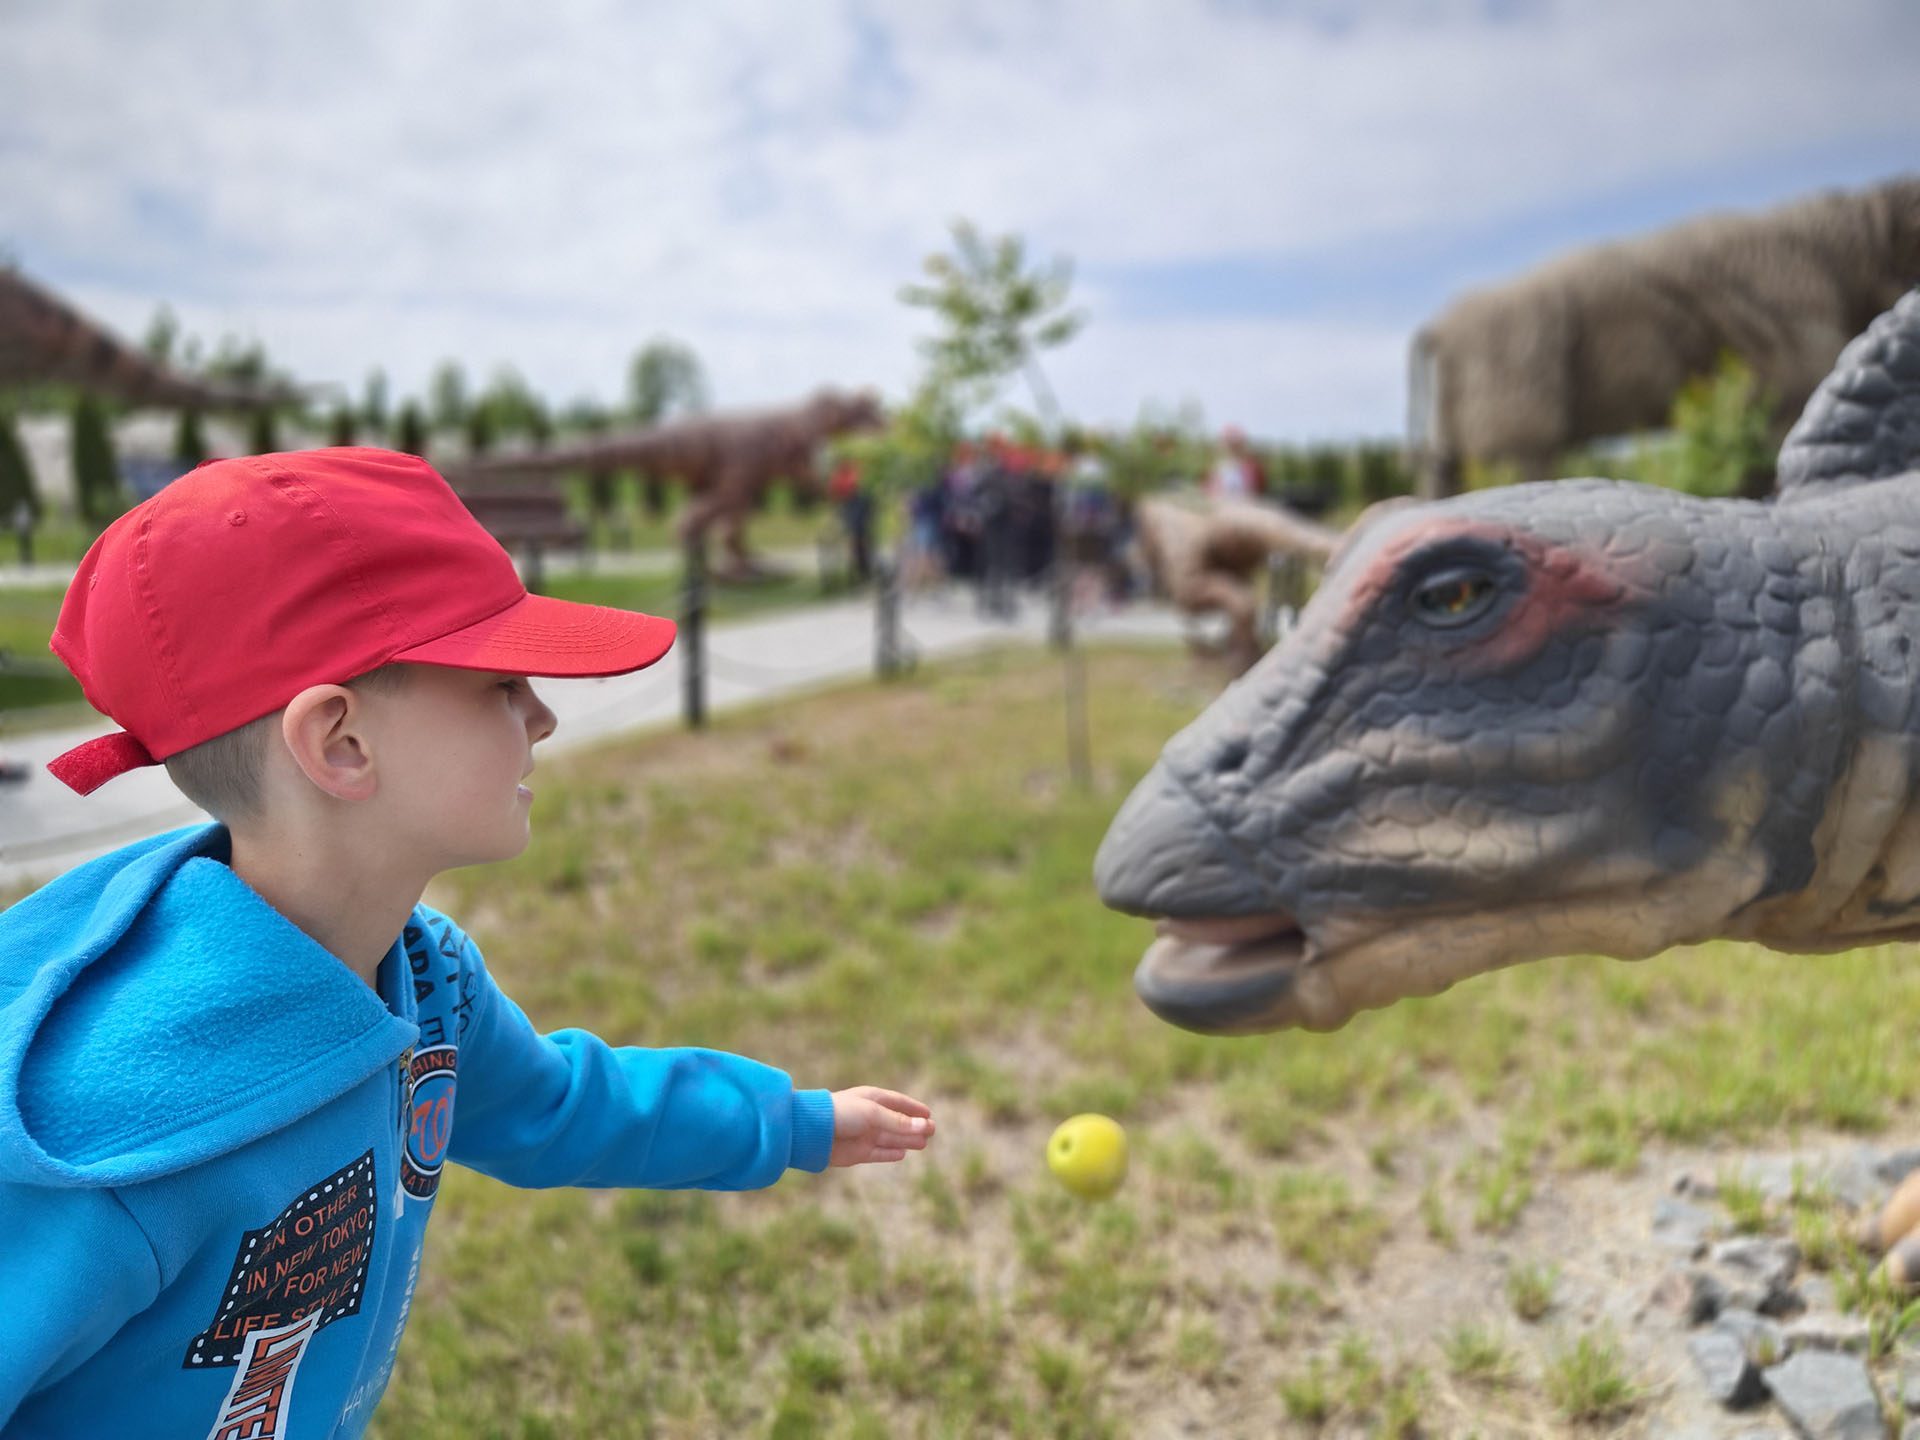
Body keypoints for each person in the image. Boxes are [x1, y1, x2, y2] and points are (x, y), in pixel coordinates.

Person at [0, 448, 935, 1435]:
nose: (544, 714)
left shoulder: (427, 977)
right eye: (499, 684)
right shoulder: (111, 1137)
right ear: (341, 744)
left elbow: (561, 1105)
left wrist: (791, 1122)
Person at [1203, 425, 1266, 500]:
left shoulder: (1251, 468)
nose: (1231, 448)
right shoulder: (1218, 468)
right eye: (1229, 444)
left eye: (1234, 445)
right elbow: (1209, 492)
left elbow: (1257, 492)